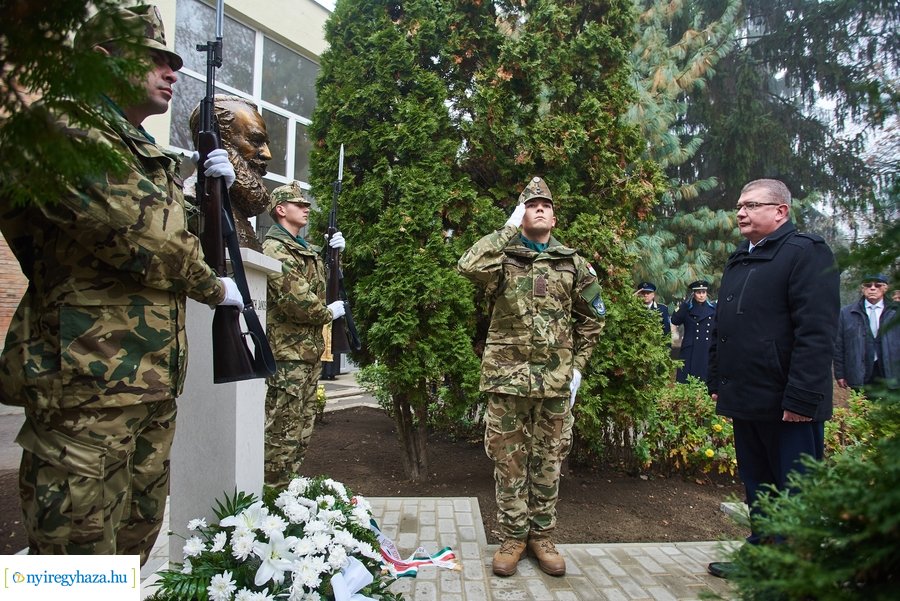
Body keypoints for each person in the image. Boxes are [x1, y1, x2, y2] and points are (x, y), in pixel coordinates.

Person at [0, 4, 242, 563]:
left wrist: (216, 194)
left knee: (130, 548)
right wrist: (213, 287)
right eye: (154, 59)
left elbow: (179, 231)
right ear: (101, 60)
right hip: (85, 387)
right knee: (72, 562)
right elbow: (145, 234)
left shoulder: (140, 152)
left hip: (148, 384)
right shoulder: (61, 129)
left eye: (174, 62)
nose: (171, 72)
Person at [458, 176, 605, 577]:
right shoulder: (503, 257)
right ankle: (512, 537)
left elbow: (594, 320)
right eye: (530, 204)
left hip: (555, 383)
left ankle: (542, 536)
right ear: (522, 213)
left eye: (545, 205)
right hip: (507, 379)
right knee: (508, 462)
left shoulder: (573, 263)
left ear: (554, 217)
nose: (538, 208)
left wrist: (577, 368)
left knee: (547, 461)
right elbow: (467, 265)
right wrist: (507, 229)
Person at [706, 179, 839, 578]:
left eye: (751, 205)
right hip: (747, 397)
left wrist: (801, 398)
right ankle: (763, 553)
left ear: (780, 211)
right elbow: (723, 326)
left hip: (787, 403)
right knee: (758, 482)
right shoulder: (741, 258)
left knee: (794, 487)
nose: (740, 213)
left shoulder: (806, 253)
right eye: (739, 206)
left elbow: (815, 332)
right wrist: (717, 380)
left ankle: (794, 565)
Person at [262, 182, 347, 488]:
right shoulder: (274, 248)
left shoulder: (303, 248)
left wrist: (334, 255)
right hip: (287, 356)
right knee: (282, 430)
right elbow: (296, 298)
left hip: (306, 354)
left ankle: (285, 490)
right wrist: (328, 313)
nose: (306, 207)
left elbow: (319, 285)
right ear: (281, 210)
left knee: (301, 430)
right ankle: (270, 493)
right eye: (299, 204)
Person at [188, 94, 272, 250]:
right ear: (220, 142)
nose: (267, 154)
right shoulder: (190, 202)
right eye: (255, 141)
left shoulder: (237, 210)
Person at [834, 274, 898, 391]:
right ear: (862, 288)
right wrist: (840, 373)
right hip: (859, 372)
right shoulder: (846, 313)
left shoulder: (896, 312)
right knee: (862, 407)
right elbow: (839, 345)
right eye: (868, 285)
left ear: (885, 288)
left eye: (877, 285)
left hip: (892, 373)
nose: (872, 288)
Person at [671, 280, 716, 383]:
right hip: (690, 348)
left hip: (707, 347)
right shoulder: (687, 308)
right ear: (693, 294)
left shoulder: (713, 308)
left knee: (706, 380)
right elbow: (675, 320)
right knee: (687, 381)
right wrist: (684, 305)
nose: (701, 295)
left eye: (703, 292)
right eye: (698, 292)